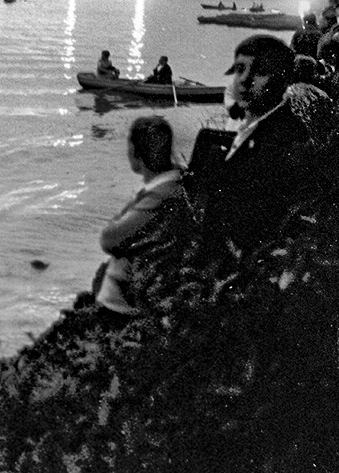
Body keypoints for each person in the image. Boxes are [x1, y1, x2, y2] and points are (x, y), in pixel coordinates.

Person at [189, 34, 324, 270]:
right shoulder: (308, 101)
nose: (245, 80)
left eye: (261, 72)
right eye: (240, 70)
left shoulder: (281, 129)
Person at [95, 116, 194, 319]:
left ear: (136, 153)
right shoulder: (171, 183)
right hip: (132, 291)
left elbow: (109, 239)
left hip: (121, 307)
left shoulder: (160, 194)